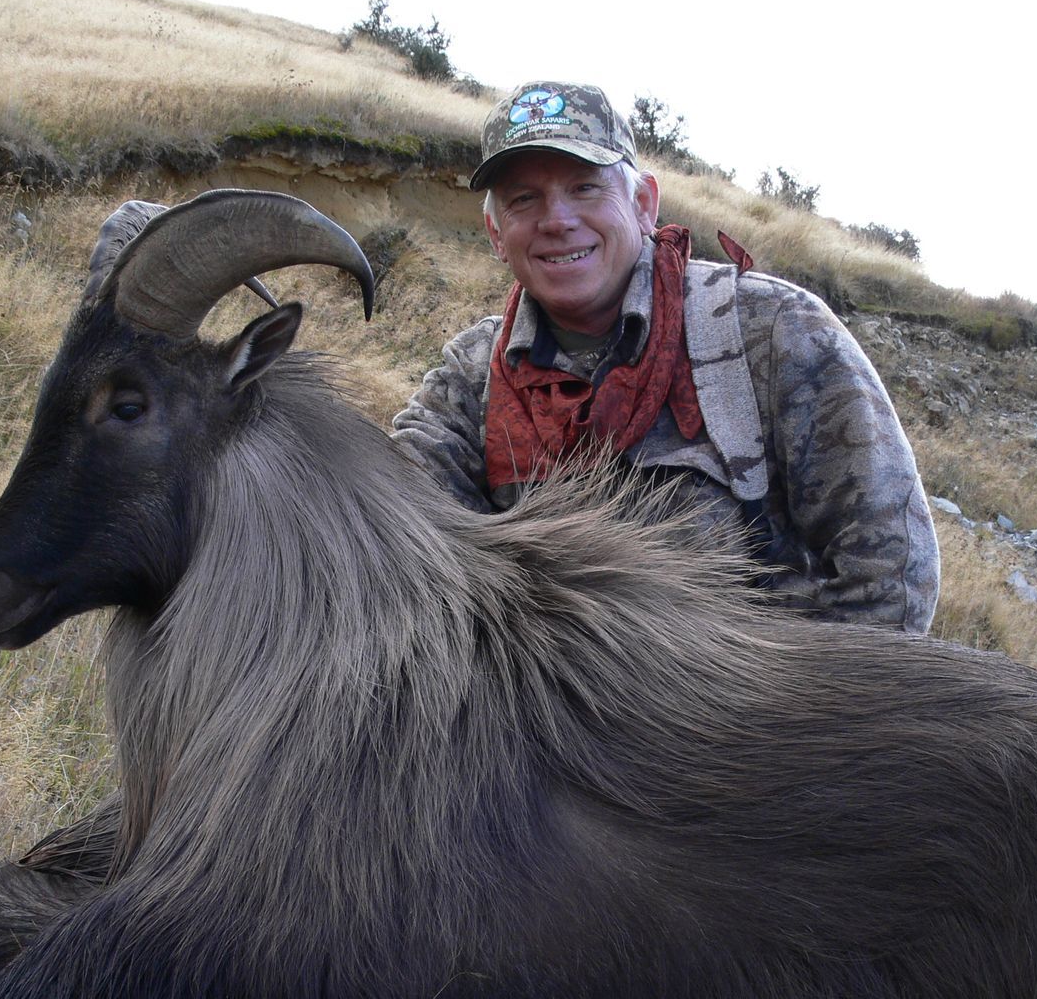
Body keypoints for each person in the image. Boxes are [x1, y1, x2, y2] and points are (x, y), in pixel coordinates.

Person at [391, 81, 939, 631]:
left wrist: (793, 710)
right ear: (495, 233)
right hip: (538, 706)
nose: (556, 219)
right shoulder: (471, 375)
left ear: (644, 203)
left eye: (584, 187)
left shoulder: (775, 330)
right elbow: (396, 511)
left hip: (764, 702)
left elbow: (891, 578)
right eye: (522, 199)